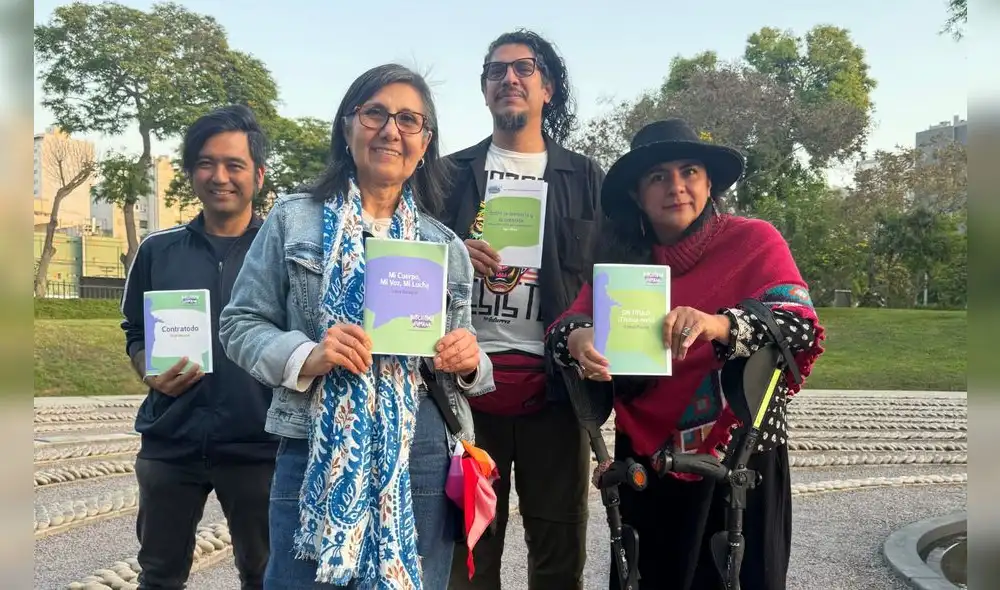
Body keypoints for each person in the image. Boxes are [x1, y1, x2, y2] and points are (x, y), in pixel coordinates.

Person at [218, 63, 495, 590]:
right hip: (314, 439)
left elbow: (474, 363)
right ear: (348, 128)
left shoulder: (447, 248)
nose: (391, 130)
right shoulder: (292, 220)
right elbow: (239, 323)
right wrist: (308, 355)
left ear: (424, 142)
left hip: (422, 451)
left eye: (409, 120)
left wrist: (467, 360)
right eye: (375, 113)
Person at [545, 118, 826, 590]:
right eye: (658, 177)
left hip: (741, 454)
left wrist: (718, 324)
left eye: (689, 172)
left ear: (708, 182)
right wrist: (578, 339)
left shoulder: (754, 241)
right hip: (647, 465)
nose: (675, 187)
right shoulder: (625, 265)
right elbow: (562, 328)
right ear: (637, 194)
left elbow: (798, 324)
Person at [442, 28, 605, 590]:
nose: (509, 78)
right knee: (467, 551)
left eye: (524, 68)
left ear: (548, 88)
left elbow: (608, 277)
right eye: (496, 70)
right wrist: (452, 256)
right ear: (484, 90)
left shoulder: (586, 179)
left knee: (559, 549)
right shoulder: (445, 175)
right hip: (462, 391)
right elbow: (407, 267)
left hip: (558, 391)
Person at [119, 104, 277, 590]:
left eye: (235, 165)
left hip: (259, 444)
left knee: (264, 574)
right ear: (191, 173)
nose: (220, 176)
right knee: (159, 576)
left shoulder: (283, 253)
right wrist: (148, 370)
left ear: (259, 174)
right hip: (171, 441)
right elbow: (135, 330)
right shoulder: (157, 250)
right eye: (206, 163)